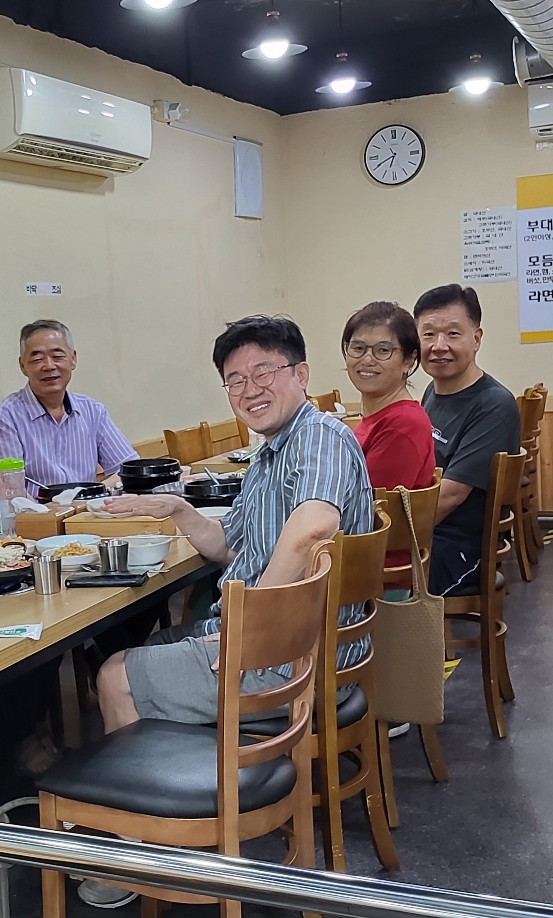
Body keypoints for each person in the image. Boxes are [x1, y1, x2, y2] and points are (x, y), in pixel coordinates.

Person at [80, 316, 374, 910]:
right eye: (235, 379)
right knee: (153, 648)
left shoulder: (319, 436)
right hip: (308, 644)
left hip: (289, 655)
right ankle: (179, 800)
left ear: (301, 374)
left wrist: (247, 629)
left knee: (113, 674)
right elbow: (228, 547)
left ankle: (145, 850)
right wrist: (177, 509)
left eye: (264, 371)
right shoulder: (270, 455)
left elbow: (313, 526)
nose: (249, 388)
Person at [413, 284, 521, 596]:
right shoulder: (432, 391)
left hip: (460, 548)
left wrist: (389, 537)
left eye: (453, 334)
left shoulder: (493, 405)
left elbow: (451, 495)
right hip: (429, 533)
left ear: (476, 339)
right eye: (428, 334)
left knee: (359, 577)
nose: (439, 346)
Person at [343, 301, 437, 587]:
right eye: (358, 348)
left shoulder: (403, 424)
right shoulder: (377, 417)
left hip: (375, 576)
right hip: (356, 559)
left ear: (409, 360)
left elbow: (366, 512)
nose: (367, 360)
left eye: (383, 350)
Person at [0, 319, 138, 489]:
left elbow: (128, 470)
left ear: (73, 359)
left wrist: (90, 495)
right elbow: (10, 489)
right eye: (37, 359)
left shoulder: (93, 411)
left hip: (88, 506)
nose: (49, 366)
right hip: (35, 507)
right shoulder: (4, 418)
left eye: (57, 356)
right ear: (22, 366)